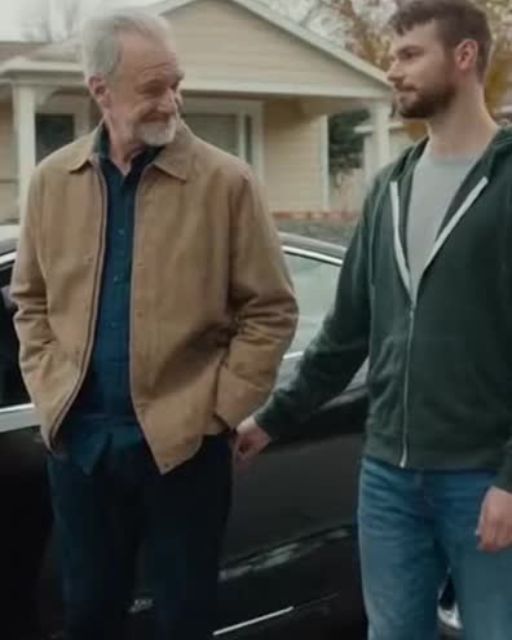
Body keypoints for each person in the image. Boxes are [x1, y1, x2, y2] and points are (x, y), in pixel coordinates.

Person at [11, 9, 297, 640]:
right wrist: (52, 391)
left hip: (183, 453)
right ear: (100, 90)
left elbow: (271, 309)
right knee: (88, 617)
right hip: (82, 448)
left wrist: (218, 411)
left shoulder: (226, 182)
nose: (170, 101)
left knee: (184, 620)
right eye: (151, 88)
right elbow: (29, 301)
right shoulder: (52, 183)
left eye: (175, 83)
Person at [235, 1, 512, 638]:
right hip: (388, 478)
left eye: (410, 54)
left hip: (482, 477)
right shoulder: (389, 187)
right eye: (392, 56)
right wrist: (271, 420)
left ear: (464, 56)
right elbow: (345, 334)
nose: (392, 70)